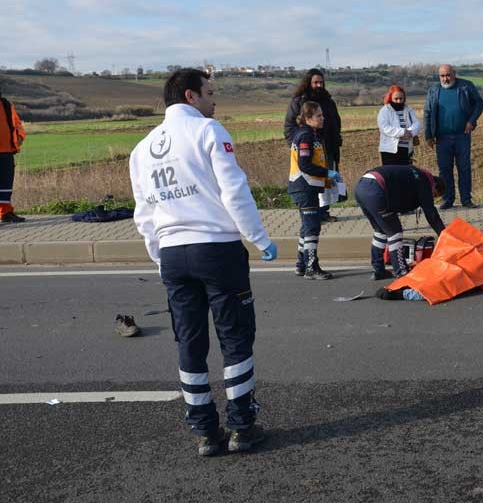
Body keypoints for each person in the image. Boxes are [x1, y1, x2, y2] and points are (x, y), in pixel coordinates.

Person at [129, 68, 277, 457]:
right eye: (210, 93)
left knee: (190, 342)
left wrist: (159, 256)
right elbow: (234, 192)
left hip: (174, 254)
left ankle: (205, 433)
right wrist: (260, 239)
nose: (215, 101)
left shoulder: (142, 149)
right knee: (235, 336)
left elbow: (144, 214)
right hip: (217, 248)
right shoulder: (209, 132)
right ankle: (243, 428)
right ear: (191, 96)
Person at [355, 164, 446, 279]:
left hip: (361, 187)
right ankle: (401, 271)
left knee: (381, 231)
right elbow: (431, 213)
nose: (432, 197)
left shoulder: (415, 175)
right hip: (376, 189)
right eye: (434, 195)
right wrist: (444, 235)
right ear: (435, 186)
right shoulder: (424, 181)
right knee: (395, 232)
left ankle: (378, 269)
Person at [423, 64, 483, 210]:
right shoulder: (433, 90)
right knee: (445, 170)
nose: (445, 78)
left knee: (464, 168)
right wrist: (428, 135)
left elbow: (479, 103)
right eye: (442, 76)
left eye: (448, 75)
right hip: (441, 138)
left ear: (454, 74)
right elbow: (427, 113)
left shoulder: (466, 86)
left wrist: (472, 120)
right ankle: (447, 199)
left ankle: (466, 199)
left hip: (462, 136)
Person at [284, 69, 342, 221]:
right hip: (308, 147)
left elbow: (336, 121)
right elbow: (289, 126)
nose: (319, 85)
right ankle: (310, 212)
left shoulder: (328, 101)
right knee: (309, 180)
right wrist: (296, 145)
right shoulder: (299, 101)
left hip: (327, 147)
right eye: (316, 82)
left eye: (321, 82)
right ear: (308, 83)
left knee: (325, 181)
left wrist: (337, 140)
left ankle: (324, 212)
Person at [288, 100, 336, 280]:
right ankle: (311, 267)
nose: (322, 118)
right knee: (312, 227)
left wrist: (326, 178)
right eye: (319, 115)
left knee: (307, 227)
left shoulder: (312, 134)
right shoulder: (305, 136)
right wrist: (327, 173)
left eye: (322, 115)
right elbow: (305, 164)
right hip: (303, 187)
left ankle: (301, 265)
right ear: (308, 118)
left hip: (309, 187)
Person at [0, 87, 26, 223]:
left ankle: (6, 213)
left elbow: (17, 123)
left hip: (6, 151)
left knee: (6, 185)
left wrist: (20, 136)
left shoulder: (6, 104)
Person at [378, 84, 420, 165]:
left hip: (407, 149)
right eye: (396, 99)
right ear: (390, 98)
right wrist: (402, 132)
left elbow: (417, 123)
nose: (398, 101)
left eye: (401, 98)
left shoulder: (408, 109)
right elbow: (384, 128)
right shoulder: (384, 111)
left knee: (406, 175)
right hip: (389, 150)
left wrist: (410, 132)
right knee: (391, 175)